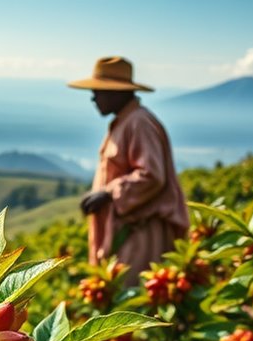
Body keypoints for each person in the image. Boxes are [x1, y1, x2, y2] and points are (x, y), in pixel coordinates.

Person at [68, 56, 189, 285]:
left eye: (99, 91)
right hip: (126, 231)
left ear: (117, 92)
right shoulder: (125, 122)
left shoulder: (139, 123)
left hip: (139, 233)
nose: (94, 98)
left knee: (134, 293)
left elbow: (151, 176)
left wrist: (109, 193)